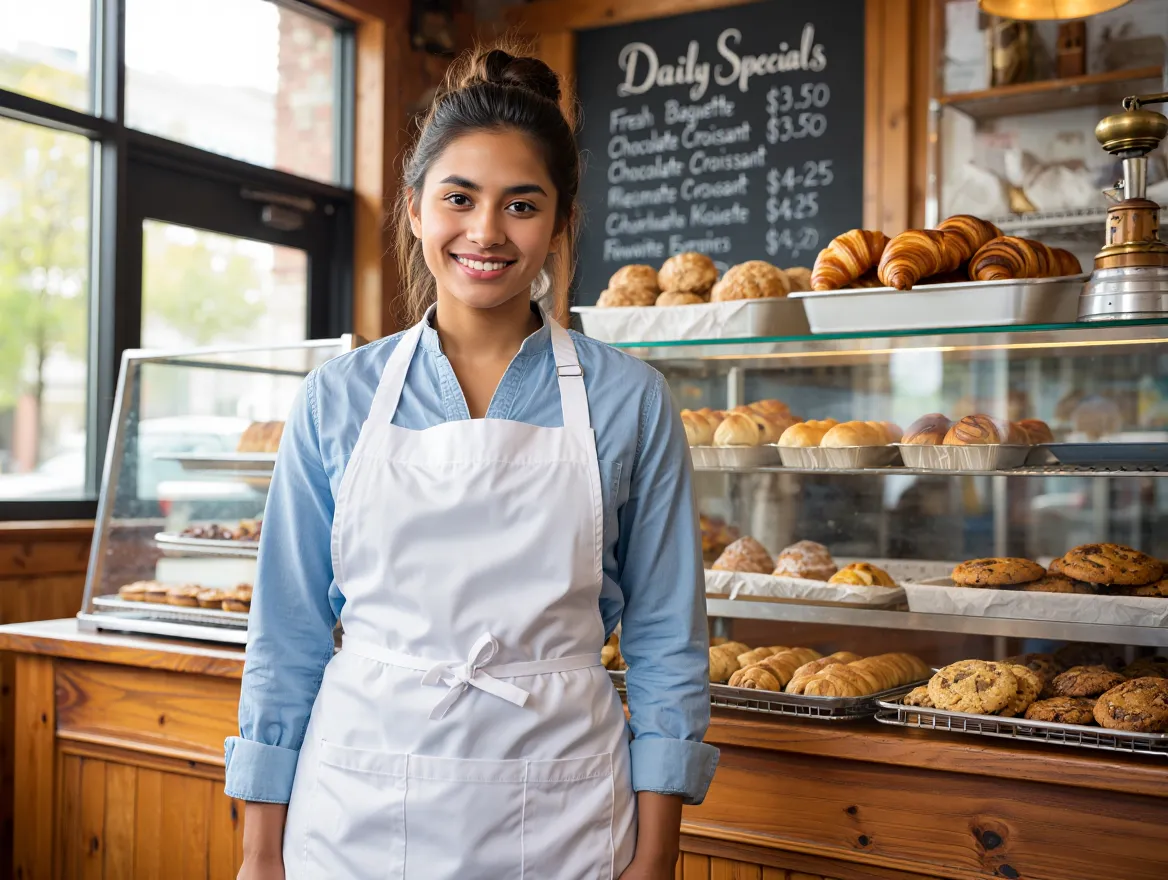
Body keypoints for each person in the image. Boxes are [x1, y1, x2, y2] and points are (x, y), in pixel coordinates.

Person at [226, 44, 717, 880]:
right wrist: (259, 853)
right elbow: (288, 638)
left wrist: (658, 856)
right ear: (416, 210)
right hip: (356, 806)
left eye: (521, 205)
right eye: (460, 198)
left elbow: (670, 642)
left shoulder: (629, 400)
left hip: (563, 808)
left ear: (561, 223)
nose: (486, 232)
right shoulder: (338, 400)